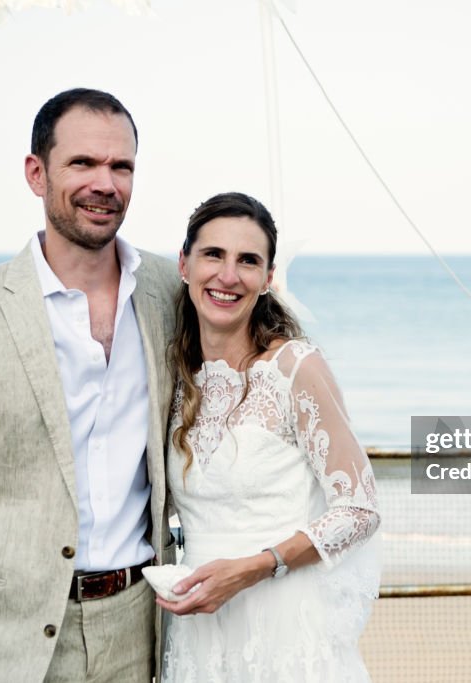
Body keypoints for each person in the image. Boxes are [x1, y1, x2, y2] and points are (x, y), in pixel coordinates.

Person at [0, 88, 178, 682]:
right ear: (36, 172)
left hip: (136, 629)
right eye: (83, 163)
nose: (106, 183)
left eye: (121, 166)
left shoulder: (170, 293)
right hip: (0, 643)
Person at [158, 192, 382, 681]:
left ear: (266, 278)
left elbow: (359, 509)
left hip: (285, 627)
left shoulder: (294, 367)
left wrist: (256, 567)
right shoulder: (175, 377)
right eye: (213, 254)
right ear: (184, 263)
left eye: (248, 261)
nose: (228, 275)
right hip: (199, 631)